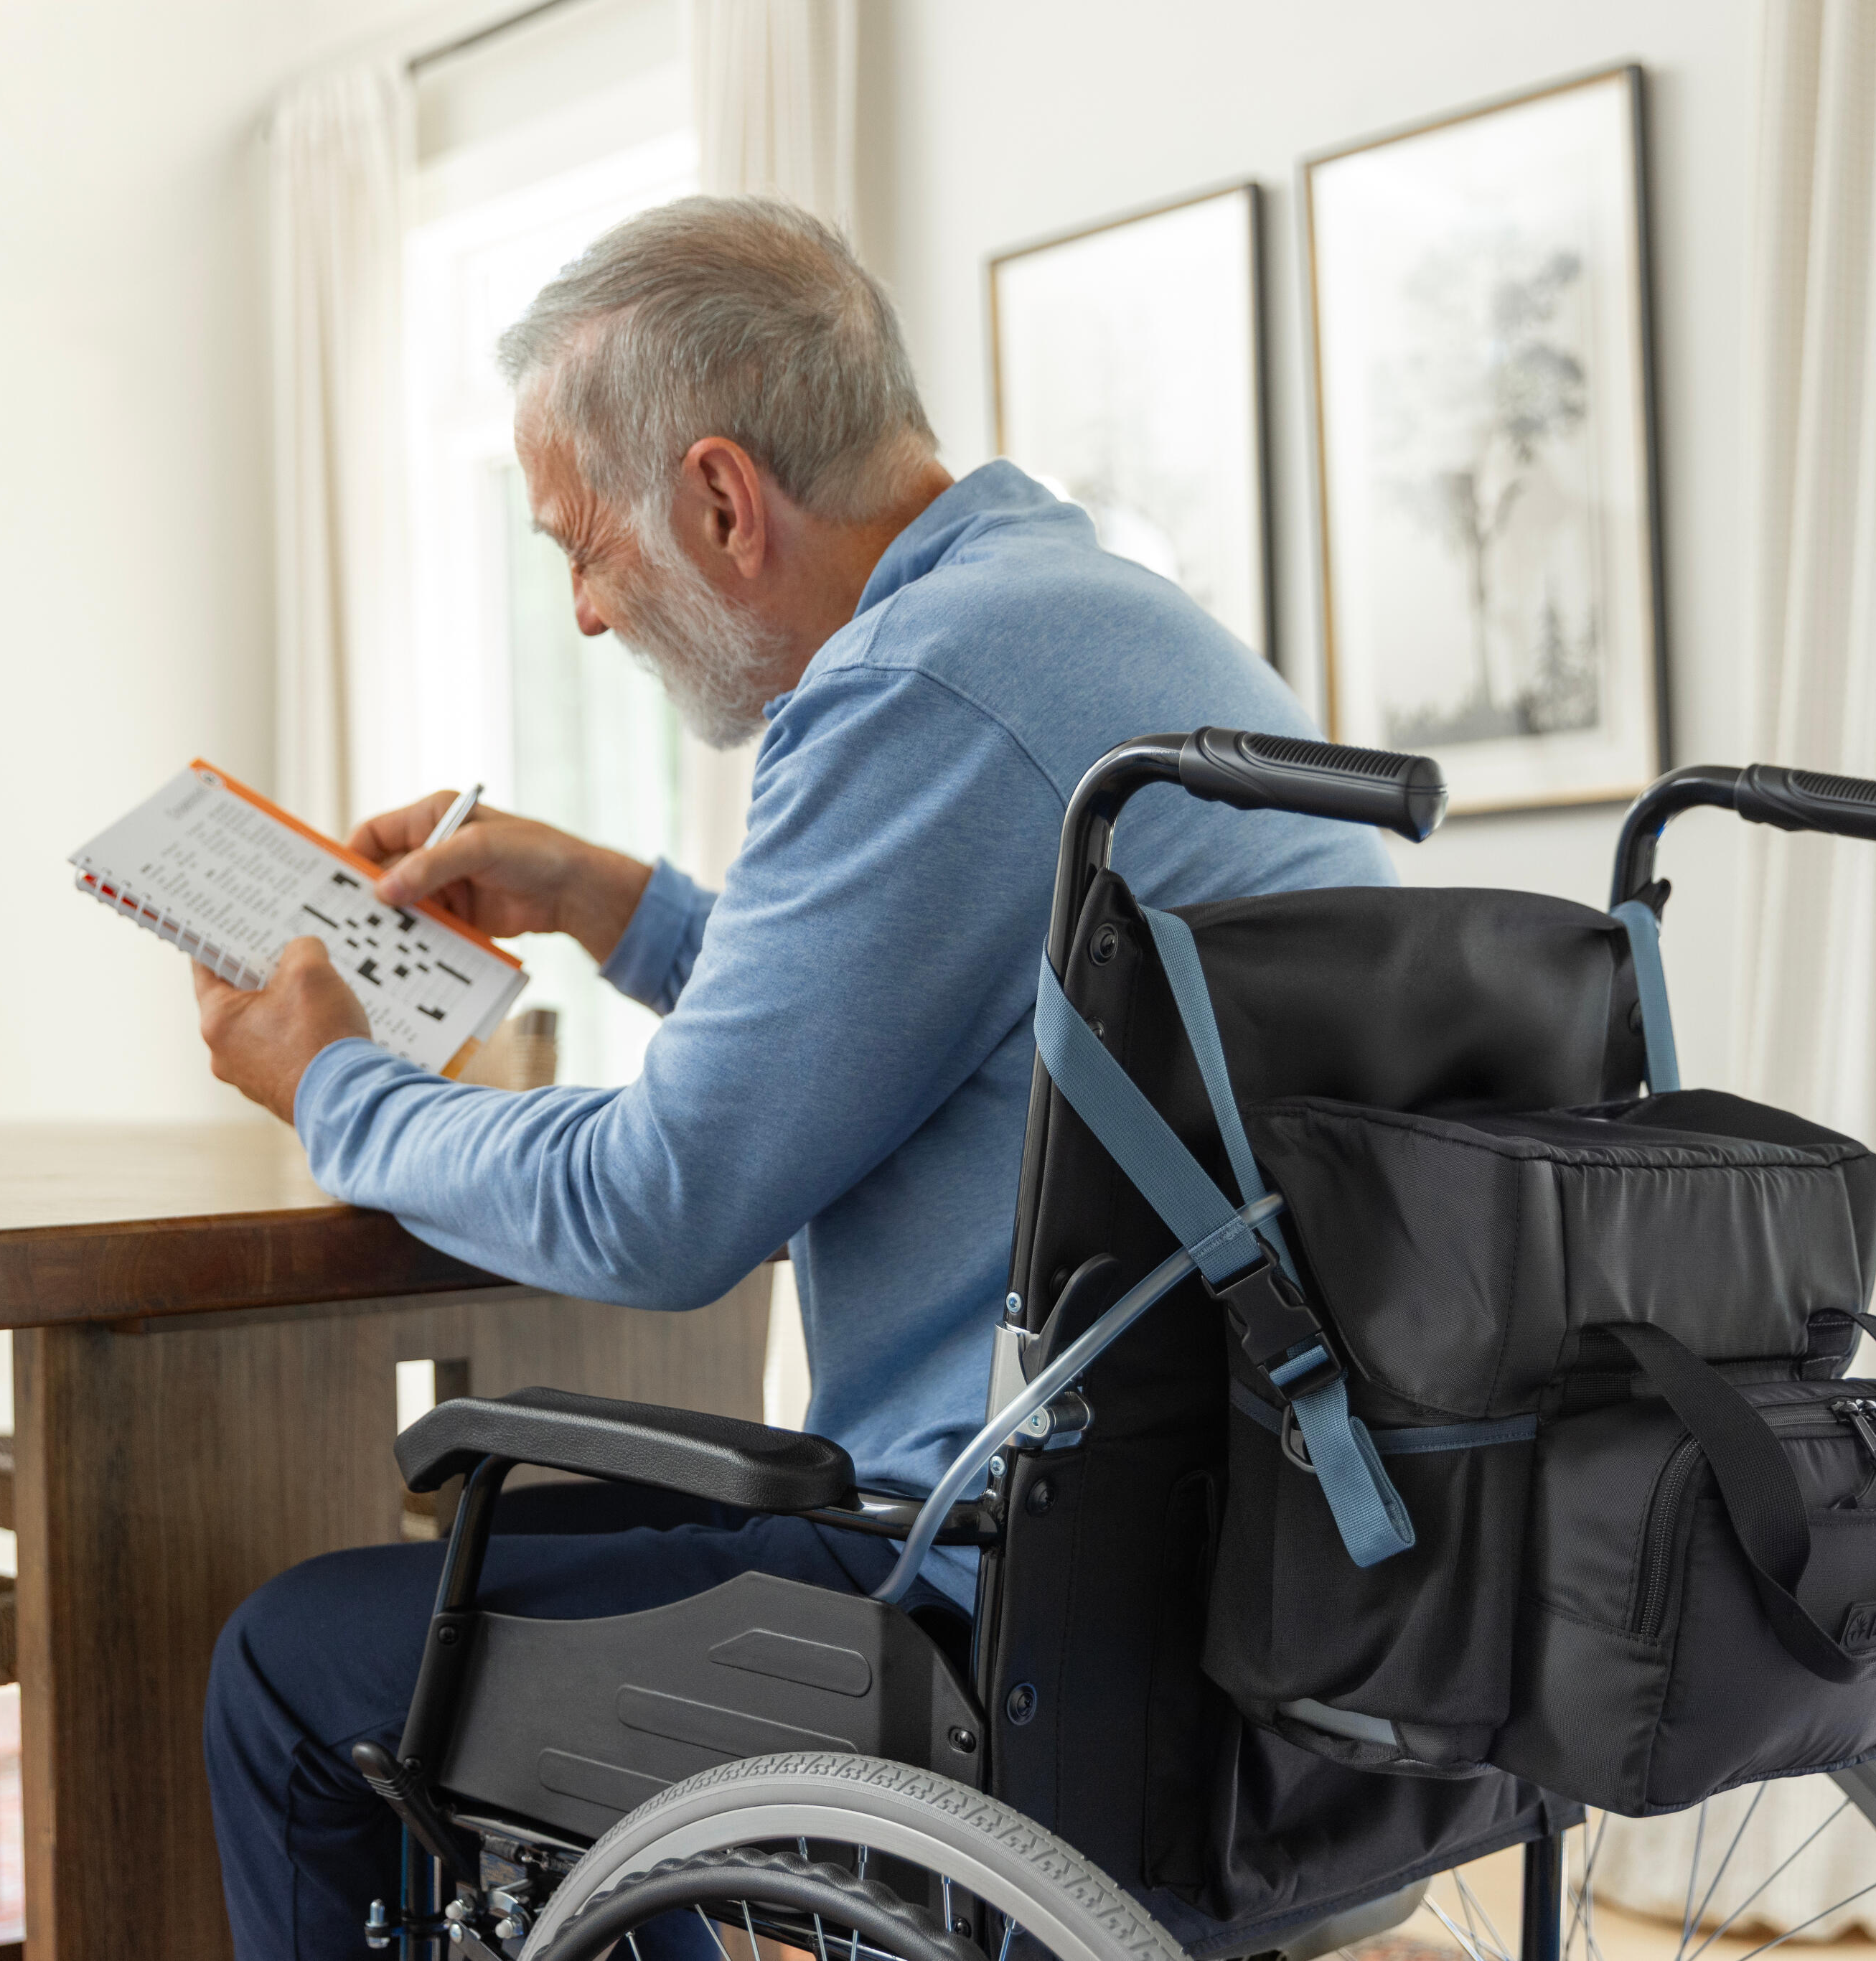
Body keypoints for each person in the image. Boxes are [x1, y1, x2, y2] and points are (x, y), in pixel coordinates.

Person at [193, 195, 1390, 1957]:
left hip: (1010, 1616)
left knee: (293, 1663)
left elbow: (660, 1205)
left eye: (581, 547)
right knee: (561, 1550)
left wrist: (331, 1088)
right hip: (1261, 1572)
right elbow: (933, 1037)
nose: (583, 613)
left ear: (719, 500)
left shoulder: (914, 682)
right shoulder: (1087, 628)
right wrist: (619, 907)